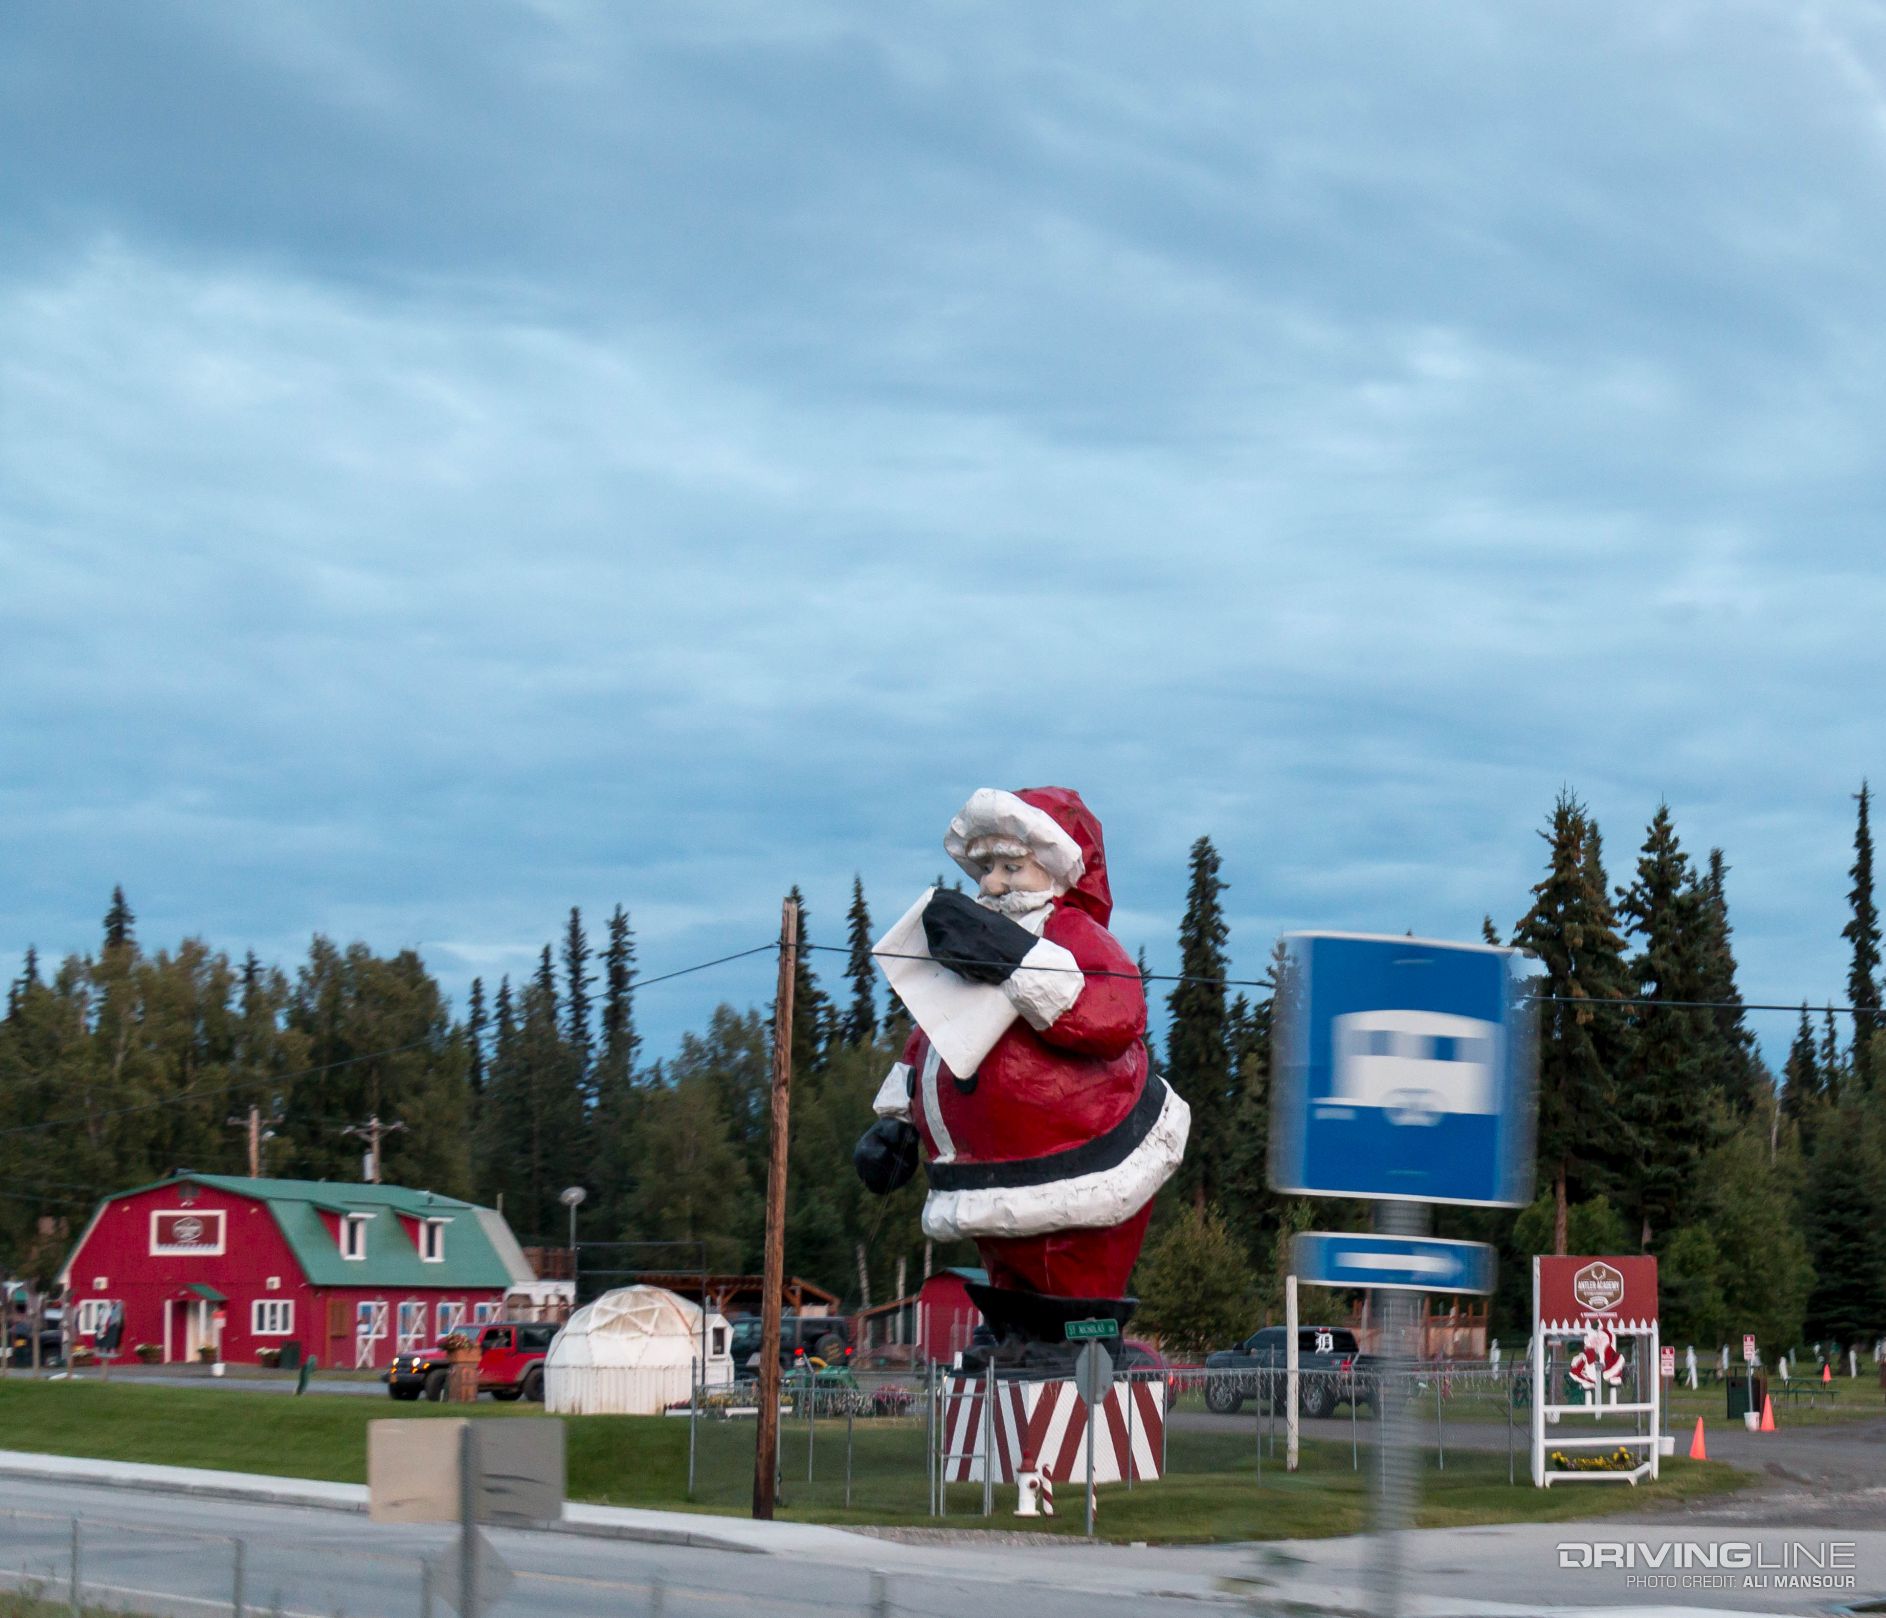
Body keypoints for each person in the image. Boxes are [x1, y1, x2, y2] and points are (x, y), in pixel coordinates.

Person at [855, 787, 1189, 1354]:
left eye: (1013, 867)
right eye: (986, 869)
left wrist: (1013, 960)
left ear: (1057, 870)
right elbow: (932, 1036)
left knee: (1068, 1255)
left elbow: (1114, 1016)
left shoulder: (1075, 939)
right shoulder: (967, 952)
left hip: (1084, 1157)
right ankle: (1014, 1328)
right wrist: (898, 1122)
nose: (992, 885)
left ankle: (1083, 1340)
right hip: (983, 1173)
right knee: (1006, 1254)